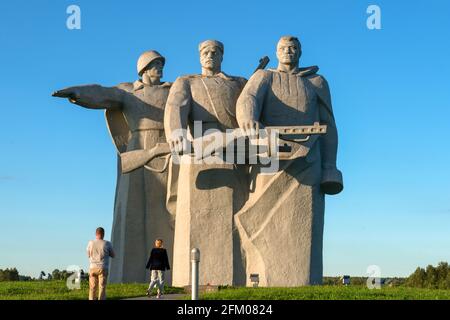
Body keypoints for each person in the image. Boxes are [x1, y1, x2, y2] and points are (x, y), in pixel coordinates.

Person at [52, 51, 176, 284]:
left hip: (166, 148)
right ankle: (127, 274)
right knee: (130, 208)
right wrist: (78, 93)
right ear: (143, 69)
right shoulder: (128, 90)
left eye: (161, 64)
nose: (160, 68)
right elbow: (102, 93)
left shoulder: (173, 90)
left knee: (167, 207)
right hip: (137, 147)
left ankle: (168, 274)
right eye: (155, 64)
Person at [235, 35, 343, 286]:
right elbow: (246, 99)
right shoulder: (264, 76)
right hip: (270, 154)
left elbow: (329, 125)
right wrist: (249, 119)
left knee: (304, 226)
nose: (289, 51)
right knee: (261, 215)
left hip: (310, 156)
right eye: (284, 48)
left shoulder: (317, 82)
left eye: (293, 48)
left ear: (300, 52)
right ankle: (260, 278)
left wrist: (330, 165)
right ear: (277, 51)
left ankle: (303, 280)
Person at [164, 40, 248, 286]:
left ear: (222, 55)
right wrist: (177, 134)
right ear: (199, 56)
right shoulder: (186, 81)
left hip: (236, 149)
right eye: (205, 52)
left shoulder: (239, 82)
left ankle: (233, 278)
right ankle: (194, 278)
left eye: (215, 52)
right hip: (199, 147)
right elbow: (174, 109)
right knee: (197, 220)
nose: (210, 56)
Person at [86, 227, 115, 300]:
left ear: (96, 233)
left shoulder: (91, 243)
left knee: (92, 288)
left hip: (92, 267)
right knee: (102, 287)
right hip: (103, 267)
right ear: (103, 234)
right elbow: (113, 255)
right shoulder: (107, 243)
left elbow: (88, 254)